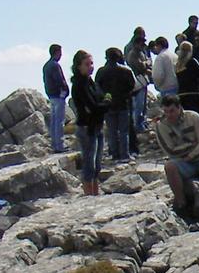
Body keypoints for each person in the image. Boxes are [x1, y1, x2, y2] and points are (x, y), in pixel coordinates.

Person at [70, 50, 109, 196]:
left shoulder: (90, 82)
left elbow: (103, 97)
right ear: (78, 66)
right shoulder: (79, 84)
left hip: (97, 125)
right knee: (89, 165)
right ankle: (89, 195)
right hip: (87, 128)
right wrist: (105, 104)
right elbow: (92, 106)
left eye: (91, 63)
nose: (91, 67)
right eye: (87, 64)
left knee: (97, 165)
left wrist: (105, 102)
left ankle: (95, 194)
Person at [94, 47, 136, 162]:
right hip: (123, 103)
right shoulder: (126, 70)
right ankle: (124, 155)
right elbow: (133, 86)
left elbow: (97, 88)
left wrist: (105, 98)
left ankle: (114, 154)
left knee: (112, 131)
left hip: (108, 104)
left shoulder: (101, 71)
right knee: (123, 131)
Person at [43, 44, 69, 153]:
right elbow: (60, 80)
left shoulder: (46, 65)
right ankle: (59, 145)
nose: (61, 55)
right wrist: (65, 90)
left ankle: (54, 144)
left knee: (54, 121)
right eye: (60, 53)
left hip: (51, 95)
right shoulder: (55, 65)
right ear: (57, 52)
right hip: (58, 95)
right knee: (59, 121)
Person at [124, 28, 152, 133]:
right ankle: (137, 125)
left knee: (142, 104)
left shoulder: (141, 51)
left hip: (142, 79)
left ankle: (141, 123)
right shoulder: (132, 51)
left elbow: (148, 61)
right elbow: (138, 64)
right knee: (138, 105)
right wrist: (146, 64)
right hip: (136, 80)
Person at [174, 41, 199, 118]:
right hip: (194, 93)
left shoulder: (177, 65)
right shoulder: (192, 62)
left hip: (181, 94)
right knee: (198, 117)